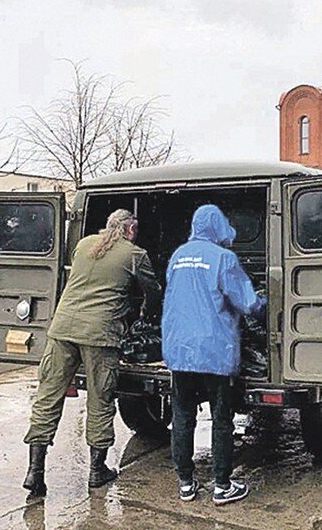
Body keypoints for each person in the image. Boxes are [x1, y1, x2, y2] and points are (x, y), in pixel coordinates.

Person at [22, 209, 160, 497]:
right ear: (131, 229)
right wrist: (148, 310)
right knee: (101, 399)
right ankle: (97, 471)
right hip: (100, 334)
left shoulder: (83, 244)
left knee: (47, 397)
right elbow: (153, 292)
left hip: (62, 329)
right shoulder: (136, 255)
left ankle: (35, 472)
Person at [161, 204, 266, 505]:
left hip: (181, 350)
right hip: (214, 351)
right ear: (218, 226)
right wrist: (265, 305)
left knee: (182, 417)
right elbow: (247, 303)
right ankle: (222, 486)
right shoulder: (224, 258)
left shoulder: (178, 256)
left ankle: (185, 484)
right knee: (222, 418)